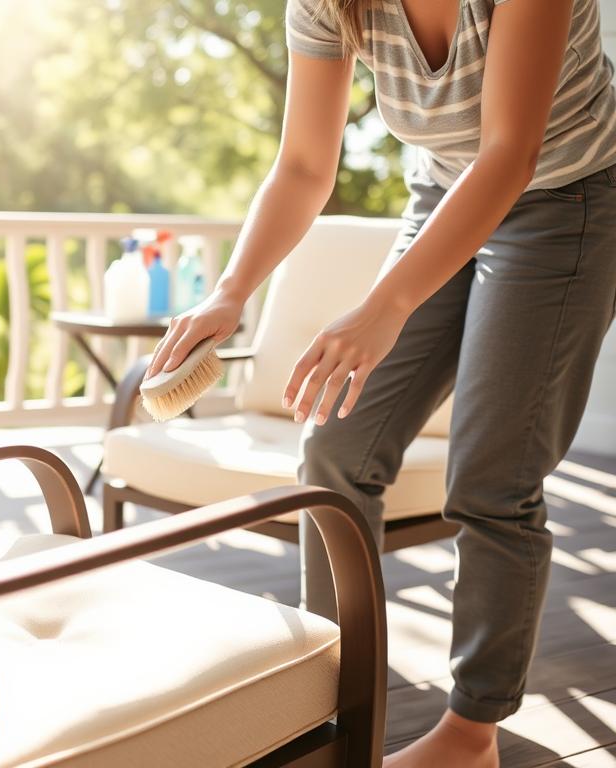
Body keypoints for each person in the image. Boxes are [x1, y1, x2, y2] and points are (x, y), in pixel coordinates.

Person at [146, 0, 616, 765]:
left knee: (494, 474)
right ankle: (327, 691)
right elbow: (303, 165)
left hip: (568, 198)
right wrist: (232, 290)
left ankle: (472, 735)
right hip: (441, 192)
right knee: (336, 447)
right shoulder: (328, 3)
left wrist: (386, 305)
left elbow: (511, 152)